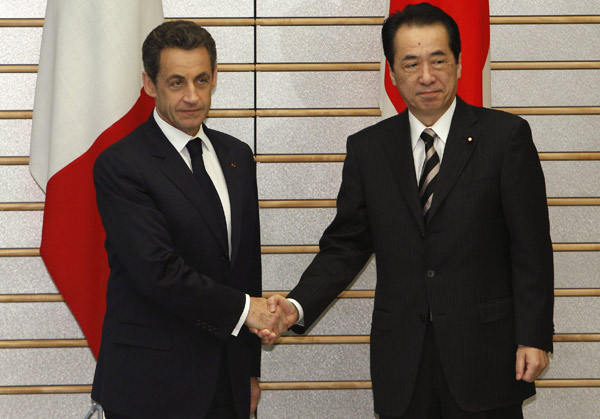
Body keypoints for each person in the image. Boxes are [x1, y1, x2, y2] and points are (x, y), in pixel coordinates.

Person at [263, 3, 554, 418]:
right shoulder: (369, 149)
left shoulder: (505, 137)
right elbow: (345, 246)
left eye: (438, 60)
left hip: (486, 356)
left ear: (458, 62)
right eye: (411, 63)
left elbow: (532, 248)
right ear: (393, 72)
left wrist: (534, 335)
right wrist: (295, 306)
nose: (426, 76)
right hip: (403, 362)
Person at [91, 20, 287, 419]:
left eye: (201, 79)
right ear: (149, 84)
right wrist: (246, 310)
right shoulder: (121, 164)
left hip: (225, 381)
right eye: (176, 82)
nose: (192, 96)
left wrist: (249, 371)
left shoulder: (237, 155)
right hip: (150, 385)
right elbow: (156, 270)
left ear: (216, 77)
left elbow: (245, 268)